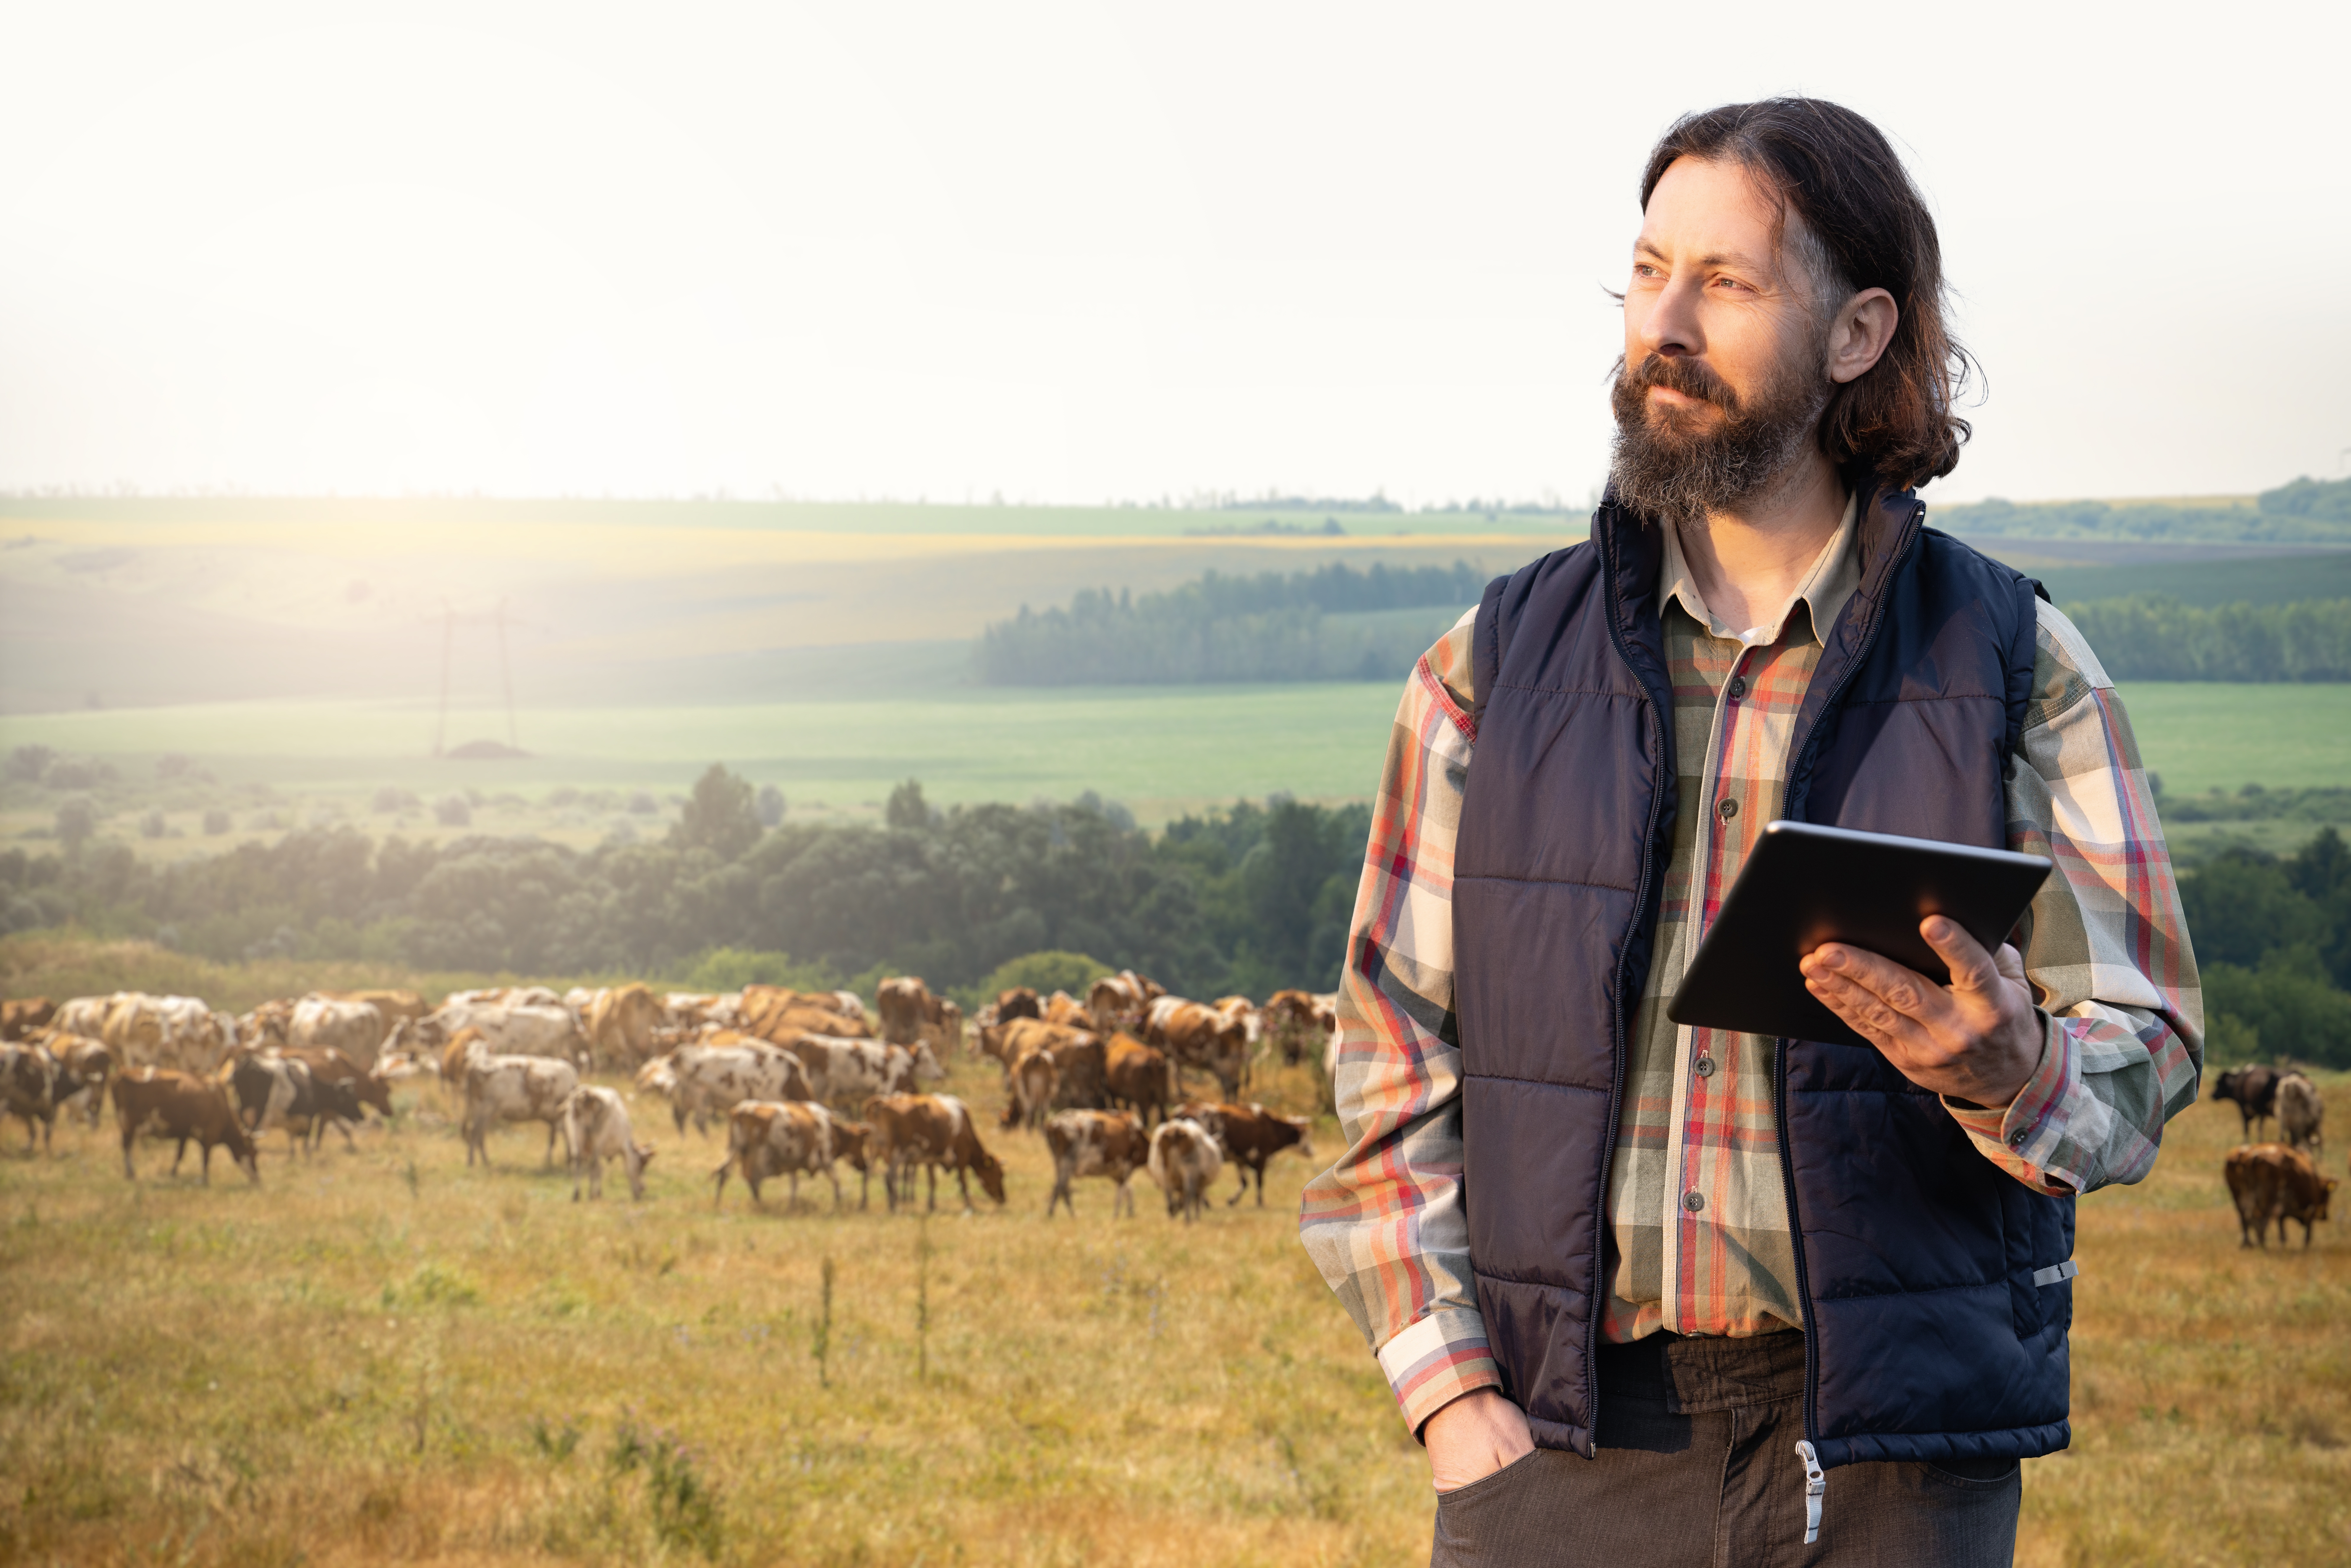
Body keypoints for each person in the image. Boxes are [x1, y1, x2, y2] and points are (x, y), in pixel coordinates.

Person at [1297, 98, 2202, 1567]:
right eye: (1646, 272)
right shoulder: (1488, 668)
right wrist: (1454, 1405)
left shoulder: (2013, 661)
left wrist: (2017, 1071)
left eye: (1722, 283)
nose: (1662, 323)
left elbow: (2147, 1044)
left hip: (1893, 1475)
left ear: (1855, 334)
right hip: (1560, 1458)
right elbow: (1388, 1057)